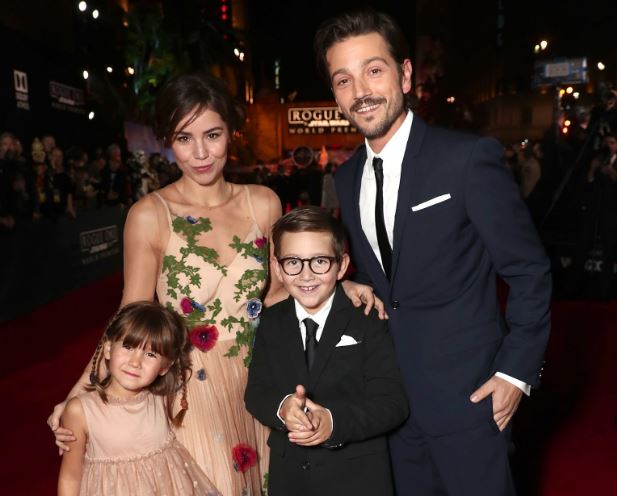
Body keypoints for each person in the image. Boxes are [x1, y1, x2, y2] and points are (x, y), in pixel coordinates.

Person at [48, 72, 381, 495]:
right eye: (185, 138)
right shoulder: (150, 214)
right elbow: (129, 319)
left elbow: (279, 292)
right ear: (169, 139)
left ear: (231, 132)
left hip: (260, 376)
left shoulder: (262, 201)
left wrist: (337, 287)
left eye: (212, 135)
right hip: (189, 386)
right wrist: (79, 393)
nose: (200, 153)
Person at [314, 9, 551, 495]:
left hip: (471, 402)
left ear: (404, 74)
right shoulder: (347, 177)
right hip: (390, 408)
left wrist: (515, 372)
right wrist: (349, 283)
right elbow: (388, 282)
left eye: (373, 70)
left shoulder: (466, 158)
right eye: (344, 79)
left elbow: (528, 269)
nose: (360, 90)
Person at [245, 206, 408, 496]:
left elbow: (393, 403)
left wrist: (333, 422)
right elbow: (256, 392)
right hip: (290, 478)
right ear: (278, 267)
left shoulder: (368, 318)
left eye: (320, 261)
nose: (306, 275)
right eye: (293, 262)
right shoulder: (271, 321)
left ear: (342, 265)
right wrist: (282, 408)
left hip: (358, 479)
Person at [57, 301, 220, 496]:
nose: (135, 362)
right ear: (108, 349)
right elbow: (70, 477)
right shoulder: (80, 410)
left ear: (165, 367)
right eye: (128, 347)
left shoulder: (160, 398)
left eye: (150, 354)